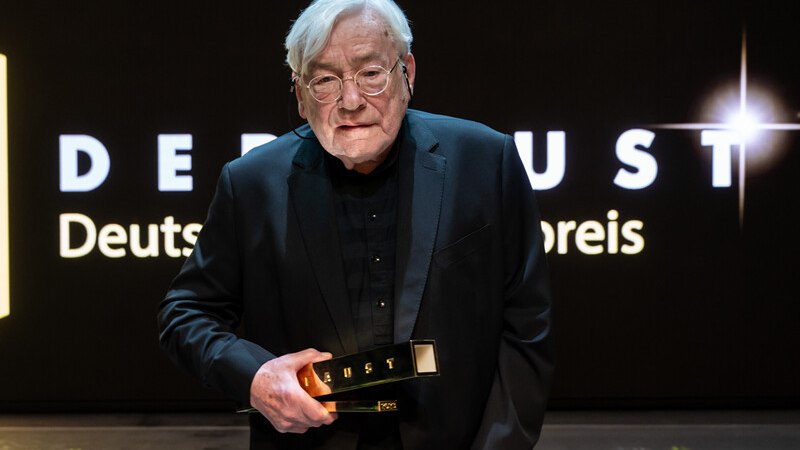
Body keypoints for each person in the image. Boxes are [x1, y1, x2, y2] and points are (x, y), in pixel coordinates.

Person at [157, 0, 554, 448]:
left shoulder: (486, 161)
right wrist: (255, 378)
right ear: (300, 95)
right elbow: (186, 314)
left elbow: (527, 326)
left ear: (407, 73)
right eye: (325, 80)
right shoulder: (250, 184)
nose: (350, 101)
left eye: (371, 74)